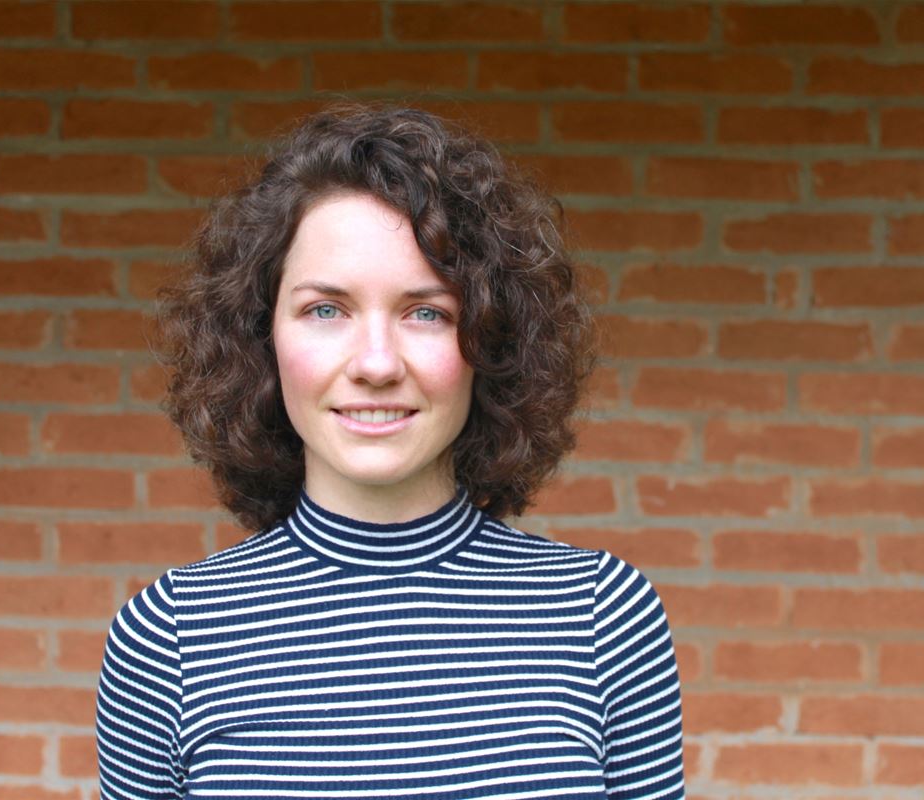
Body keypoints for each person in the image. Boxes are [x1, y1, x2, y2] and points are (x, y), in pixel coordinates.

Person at [96, 105, 684, 799]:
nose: (376, 364)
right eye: (326, 309)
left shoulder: (602, 616)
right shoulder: (169, 639)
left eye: (426, 312)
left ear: (491, 341)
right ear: (261, 336)